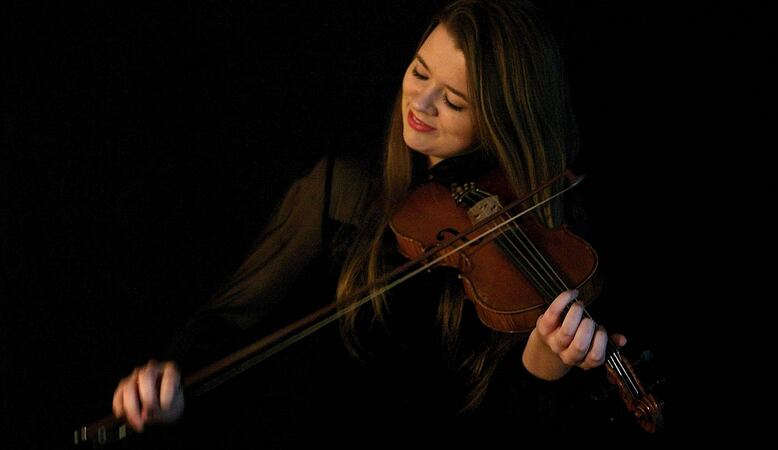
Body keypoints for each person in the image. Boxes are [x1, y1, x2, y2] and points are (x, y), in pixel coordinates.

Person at [112, 0, 629, 441]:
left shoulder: (540, 228)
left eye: (452, 101)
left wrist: (541, 365)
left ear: (501, 120)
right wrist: (173, 375)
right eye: (420, 71)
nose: (420, 103)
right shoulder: (341, 190)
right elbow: (229, 317)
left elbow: (510, 426)